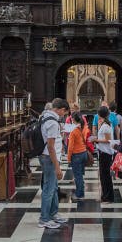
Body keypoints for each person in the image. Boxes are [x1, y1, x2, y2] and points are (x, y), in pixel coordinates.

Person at [39, 97, 71, 229]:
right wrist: (57, 167)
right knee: (49, 189)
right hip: (50, 158)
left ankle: (54, 213)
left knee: (53, 187)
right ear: (61, 110)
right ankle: (44, 219)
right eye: (65, 112)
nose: (64, 115)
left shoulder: (44, 116)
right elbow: (51, 147)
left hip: (46, 156)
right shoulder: (52, 122)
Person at [92, 106, 116, 203]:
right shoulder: (104, 124)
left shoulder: (106, 126)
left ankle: (108, 197)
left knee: (105, 176)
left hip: (106, 154)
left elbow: (107, 140)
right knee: (103, 176)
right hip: (103, 153)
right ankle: (105, 196)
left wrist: (96, 140)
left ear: (99, 115)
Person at [66, 111, 89, 202]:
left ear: (73, 119)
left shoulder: (73, 131)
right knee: (80, 175)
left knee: (78, 176)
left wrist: (68, 158)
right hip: (83, 153)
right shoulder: (83, 128)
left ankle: (80, 194)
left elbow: (70, 147)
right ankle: (80, 190)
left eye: (71, 118)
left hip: (77, 155)